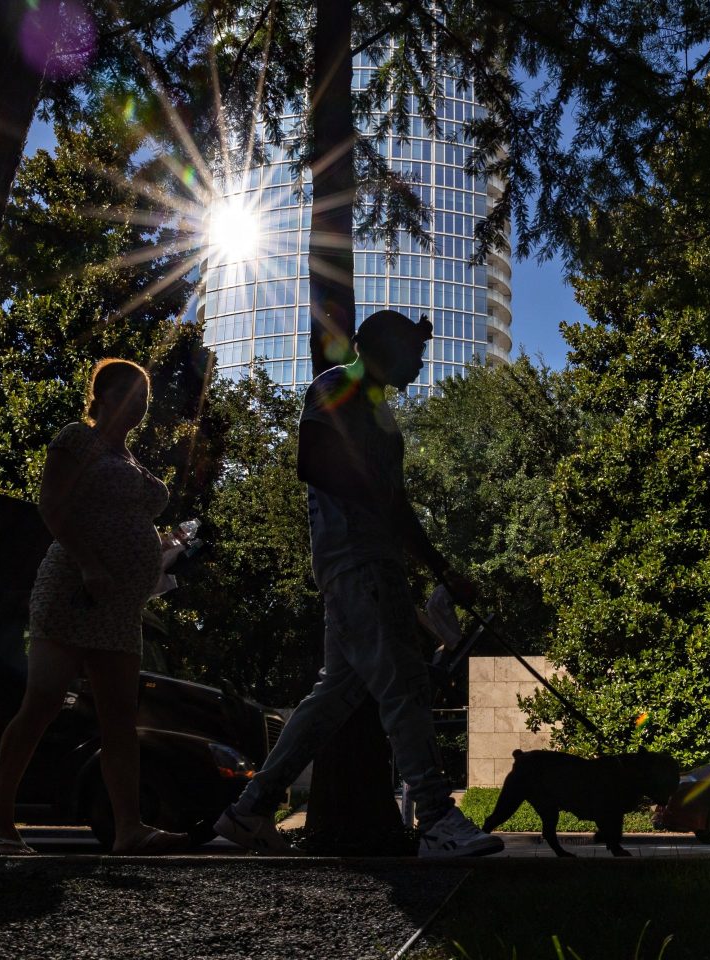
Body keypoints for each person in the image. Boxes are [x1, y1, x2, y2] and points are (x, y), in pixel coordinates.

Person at [214, 310, 503, 858]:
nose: (420, 363)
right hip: (358, 562)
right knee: (405, 686)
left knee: (333, 698)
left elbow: (399, 507)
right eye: (414, 352)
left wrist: (443, 571)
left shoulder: (382, 414)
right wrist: (382, 503)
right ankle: (438, 817)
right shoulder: (337, 386)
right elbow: (313, 463)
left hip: (367, 563)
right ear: (386, 349)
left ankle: (248, 812)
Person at [0, 359, 188, 856]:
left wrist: (163, 546)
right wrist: (91, 564)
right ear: (105, 396)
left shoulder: (131, 458)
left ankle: (128, 828)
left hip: (120, 603)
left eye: (145, 399)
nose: (140, 405)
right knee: (43, 701)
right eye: (131, 395)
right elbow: (53, 505)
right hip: (74, 585)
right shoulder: (77, 438)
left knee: (119, 717)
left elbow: (124, 523)